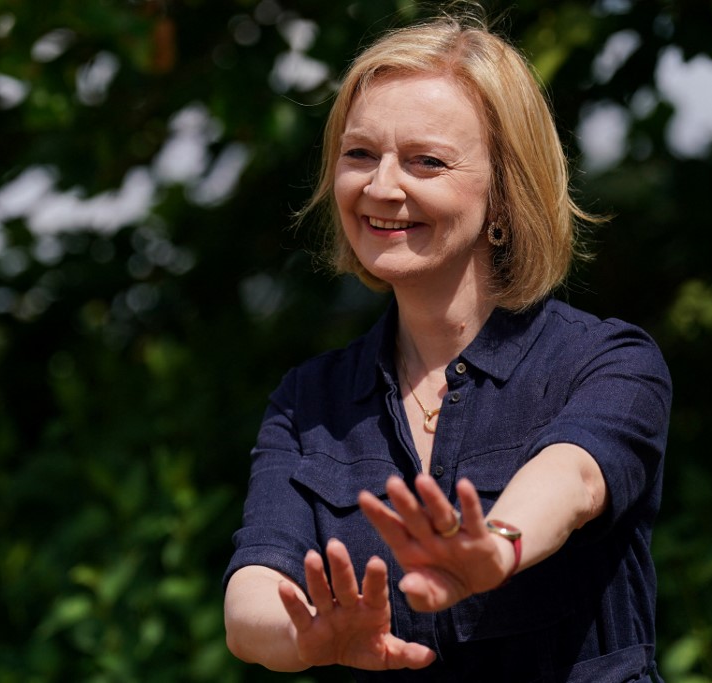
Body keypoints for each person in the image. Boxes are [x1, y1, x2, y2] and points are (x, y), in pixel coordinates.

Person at [222, 8, 671, 682]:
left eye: (425, 161)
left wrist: (499, 541)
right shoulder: (308, 401)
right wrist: (303, 632)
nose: (380, 187)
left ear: (502, 192)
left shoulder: (606, 363)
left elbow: (575, 477)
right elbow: (251, 590)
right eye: (360, 154)